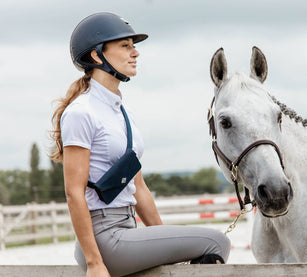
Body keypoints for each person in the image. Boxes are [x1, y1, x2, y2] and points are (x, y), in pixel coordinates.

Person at [50, 12, 230, 277]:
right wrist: (94, 263)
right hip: (103, 237)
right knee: (217, 242)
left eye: (134, 46)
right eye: (125, 46)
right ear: (97, 56)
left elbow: (139, 188)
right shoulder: (81, 112)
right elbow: (73, 193)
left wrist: (168, 244)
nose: (135, 53)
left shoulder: (123, 112)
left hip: (127, 228)